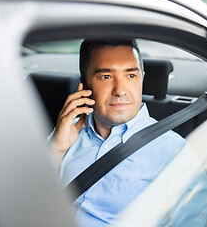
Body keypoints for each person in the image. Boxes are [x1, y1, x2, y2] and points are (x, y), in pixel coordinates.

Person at [50, 39, 189, 226]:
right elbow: (26, 196)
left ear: (142, 79)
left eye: (130, 76)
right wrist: (56, 150)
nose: (120, 90)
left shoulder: (174, 152)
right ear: (84, 84)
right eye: (106, 77)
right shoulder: (66, 133)